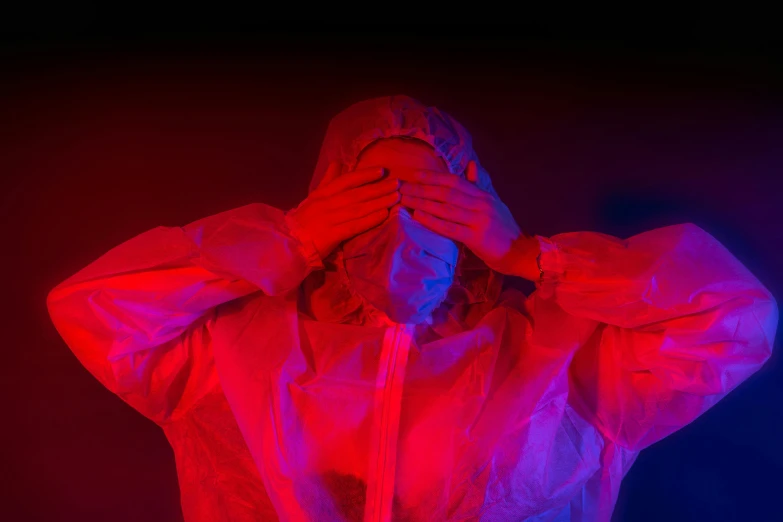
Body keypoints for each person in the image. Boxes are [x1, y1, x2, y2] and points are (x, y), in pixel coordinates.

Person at [47, 95, 778, 522]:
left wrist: (530, 257)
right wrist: (288, 239)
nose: (402, 223)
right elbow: (95, 307)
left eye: (431, 200)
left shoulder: (563, 361)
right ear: (328, 203)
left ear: (471, 208)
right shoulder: (228, 355)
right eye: (369, 197)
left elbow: (733, 319)